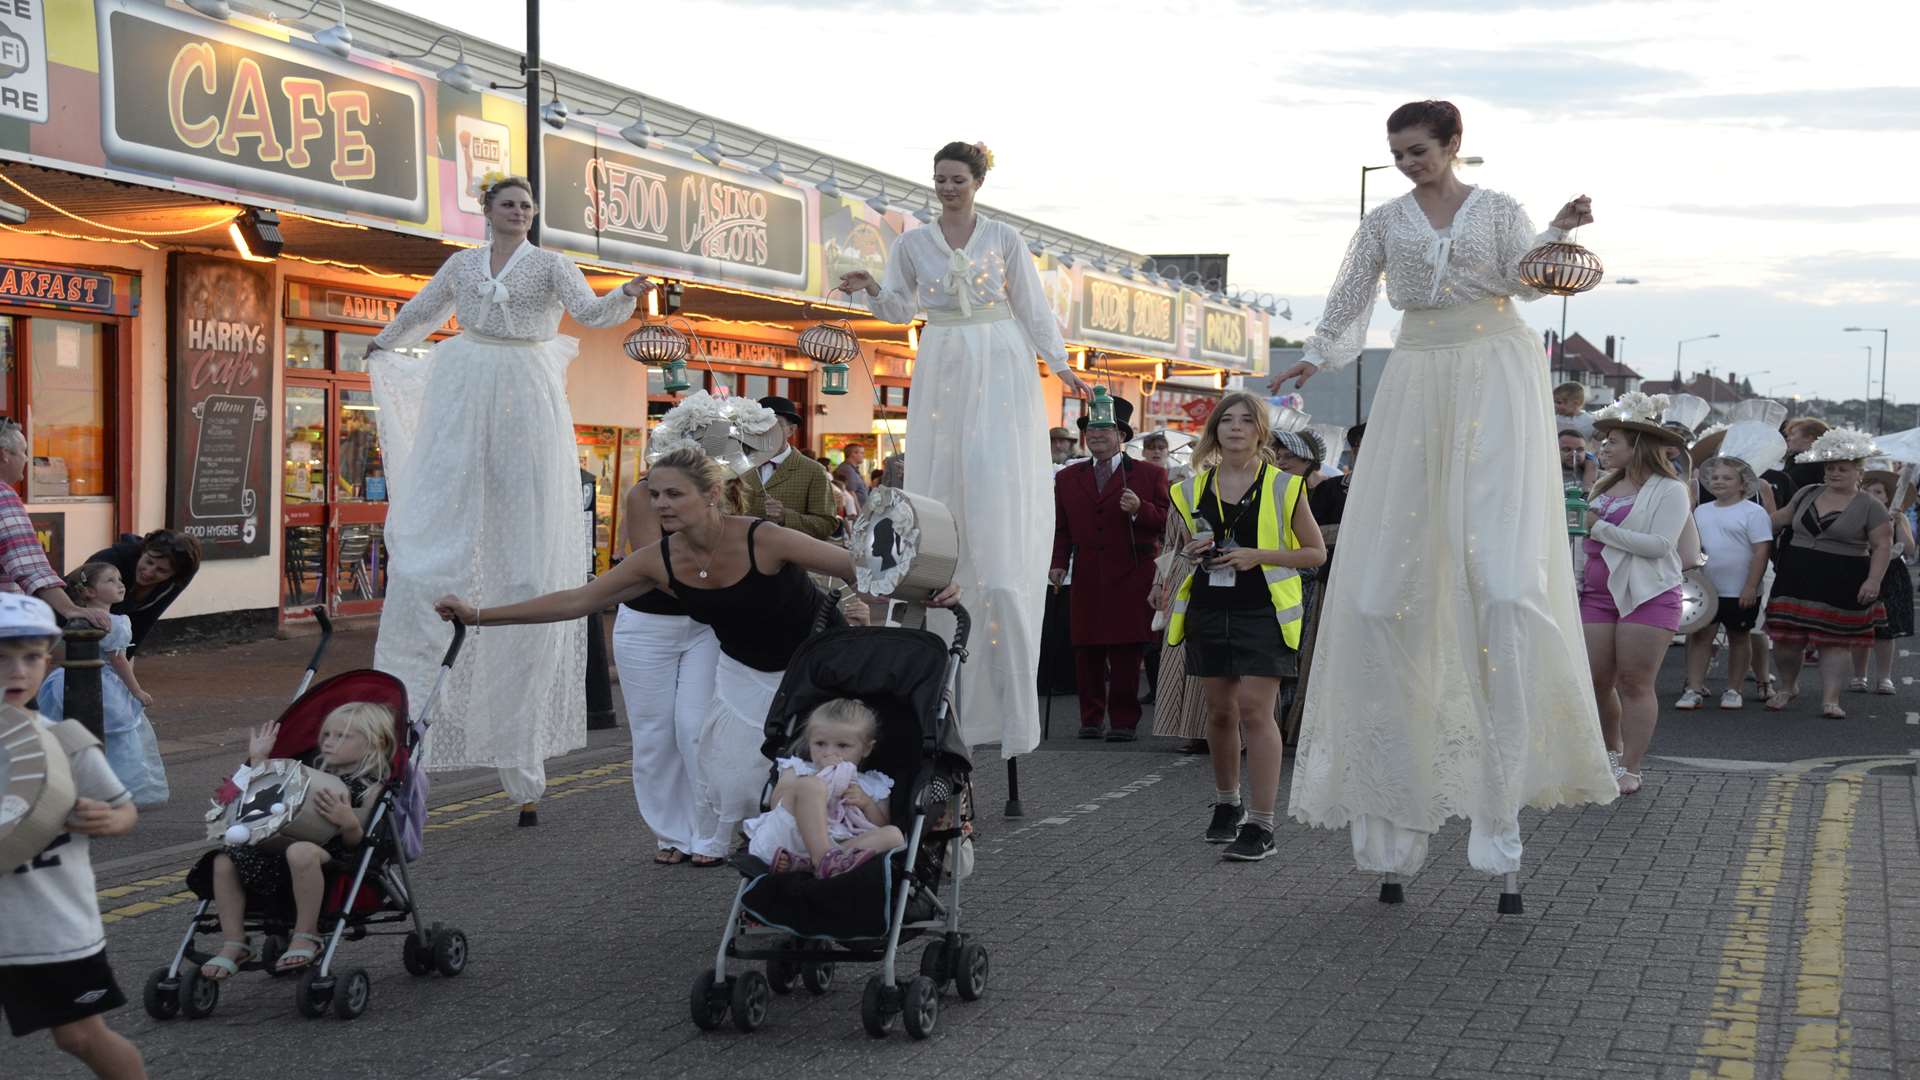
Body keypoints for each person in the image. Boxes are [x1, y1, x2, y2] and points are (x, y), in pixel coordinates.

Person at [1277, 100, 1617, 896]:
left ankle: (1501, 814)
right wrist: (1314, 359)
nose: (1408, 163)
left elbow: (1529, 283)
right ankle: (1391, 819)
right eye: (1397, 153)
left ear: (1455, 145)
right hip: (1418, 374)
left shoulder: (1497, 211)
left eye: (1419, 150)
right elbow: (1351, 301)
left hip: (1497, 371)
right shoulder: (1384, 221)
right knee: (1376, 599)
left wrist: (1560, 233)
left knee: (1499, 587)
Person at [432, 447, 956, 864]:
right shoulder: (656, 561)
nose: (660, 504)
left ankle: (852, 849)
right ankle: (789, 860)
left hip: (815, 669)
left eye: (673, 495)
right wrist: (479, 615)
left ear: (711, 495)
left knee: (831, 770)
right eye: (654, 494)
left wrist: (931, 591)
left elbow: (857, 569)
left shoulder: (763, 538)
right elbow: (577, 599)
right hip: (741, 674)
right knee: (737, 780)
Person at [363, 175, 646, 826]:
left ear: (533, 215)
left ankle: (524, 766)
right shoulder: (462, 264)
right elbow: (424, 310)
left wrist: (625, 295)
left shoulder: (551, 264)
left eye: (526, 206)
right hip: (468, 377)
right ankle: (407, 737)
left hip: (523, 381)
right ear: (487, 212)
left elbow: (593, 313)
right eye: (507, 204)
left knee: (524, 524)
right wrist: (386, 342)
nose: (518, 212)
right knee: (444, 499)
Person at [839, 140, 1090, 759]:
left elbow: (1031, 307)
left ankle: (1000, 565)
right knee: (946, 466)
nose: (947, 187)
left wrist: (1061, 367)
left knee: (991, 464)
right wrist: (873, 286)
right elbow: (900, 308)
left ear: (977, 181)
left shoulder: (1003, 237)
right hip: (945, 356)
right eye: (939, 179)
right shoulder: (911, 242)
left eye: (956, 179)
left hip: (999, 355)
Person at [1168, 393, 1325, 861]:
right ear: (1214, 430)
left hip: (1265, 609)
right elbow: (1184, 547)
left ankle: (1261, 825)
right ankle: (1226, 802)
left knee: (1257, 710)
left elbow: (1314, 553)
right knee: (1219, 712)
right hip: (1210, 605)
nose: (1235, 428)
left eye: (1245, 421)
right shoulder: (1189, 489)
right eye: (1226, 420)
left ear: (1260, 432)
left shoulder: (1284, 486)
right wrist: (1190, 553)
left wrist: (1259, 555)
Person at [0, 594, 146, 1080]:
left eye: (30, 657)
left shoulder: (65, 740)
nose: (16, 672)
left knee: (80, 1036)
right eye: (0, 658)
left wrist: (110, 819)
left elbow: (124, 808)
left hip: (49, 925)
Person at [199, 705, 390, 977]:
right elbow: (255, 798)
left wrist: (348, 822)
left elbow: (360, 845)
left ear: (375, 743)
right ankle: (235, 942)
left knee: (301, 852)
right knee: (223, 860)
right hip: (277, 847)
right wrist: (258, 761)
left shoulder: (373, 789)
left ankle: (306, 933)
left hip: (332, 855)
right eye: (326, 735)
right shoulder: (302, 771)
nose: (329, 742)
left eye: (343, 736)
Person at [1578, 403, 1691, 797]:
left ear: (1638, 446)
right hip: (1595, 595)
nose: (1603, 447)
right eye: (1604, 441)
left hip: (1647, 596)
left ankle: (1631, 767)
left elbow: (1659, 546)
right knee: (1595, 680)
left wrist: (1600, 527)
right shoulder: (1604, 485)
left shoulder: (1671, 490)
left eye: (1613, 441)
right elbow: (1583, 538)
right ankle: (1610, 753)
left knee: (1634, 682)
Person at [609, 471, 721, 865]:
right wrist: (721, 589)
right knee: (655, 732)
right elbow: (653, 565)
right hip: (648, 625)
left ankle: (712, 833)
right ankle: (671, 835)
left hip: (707, 625)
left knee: (696, 727)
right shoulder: (645, 494)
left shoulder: (725, 487)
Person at [1049, 397, 1169, 741]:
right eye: (1091, 429)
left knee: (1126, 649)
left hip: (1133, 570)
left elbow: (1167, 522)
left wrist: (1139, 509)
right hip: (1086, 571)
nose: (1096, 435)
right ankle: (1090, 718)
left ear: (1122, 435)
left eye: (1105, 429)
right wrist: (1058, 563)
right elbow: (1061, 528)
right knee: (1085, 647)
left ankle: (1124, 721)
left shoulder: (1149, 474)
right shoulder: (1069, 477)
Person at [1764, 429, 1892, 718]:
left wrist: (1874, 580)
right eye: (1830, 468)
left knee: (1834, 642)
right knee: (1786, 641)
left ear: (1858, 472)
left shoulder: (1871, 505)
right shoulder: (1806, 493)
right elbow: (1777, 520)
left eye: (1842, 469)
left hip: (1843, 579)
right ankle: (1787, 687)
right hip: (1795, 576)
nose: (1834, 473)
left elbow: (1882, 546)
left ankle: (1830, 699)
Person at [34, 564, 169, 806]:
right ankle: (111, 788)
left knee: (72, 731)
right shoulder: (113, 622)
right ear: (89, 593)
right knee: (115, 736)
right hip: (101, 682)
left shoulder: (79, 619)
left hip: (66, 679)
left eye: (119, 578)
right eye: (110, 580)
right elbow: (120, 660)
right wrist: (135, 690)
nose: (120, 584)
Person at [743, 699, 904, 878]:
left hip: (839, 847)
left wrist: (866, 803)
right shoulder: (799, 768)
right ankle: (822, 859)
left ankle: (811, 864)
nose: (829, 752)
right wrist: (818, 781)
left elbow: (879, 825)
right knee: (811, 786)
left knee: (894, 835)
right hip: (789, 837)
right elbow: (776, 804)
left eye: (842, 745)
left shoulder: (873, 784)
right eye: (820, 744)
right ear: (809, 742)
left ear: (866, 749)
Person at [1679, 458, 1774, 712]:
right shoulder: (1701, 510)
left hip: (1739, 589)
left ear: (1743, 485)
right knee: (1700, 637)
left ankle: (1734, 689)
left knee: (1739, 637)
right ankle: (1694, 688)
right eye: (1715, 478)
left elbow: (1761, 552)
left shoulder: (1754, 513)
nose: (1719, 482)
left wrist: (1751, 586)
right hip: (1706, 589)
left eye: (1727, 478)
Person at [0, 421, 109, 631]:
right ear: (4, 454)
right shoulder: (3, 495)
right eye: (23, 452)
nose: (26, 459)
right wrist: (70, 609)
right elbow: (29, 565)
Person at [83, 530, 202, 656]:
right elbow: (76, 597)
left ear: (174, 575)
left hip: (110, 635)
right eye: (149, 562)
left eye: (161, 570)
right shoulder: (109, 560)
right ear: (143, 551)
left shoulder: (176, 582)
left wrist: (123, 662)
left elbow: (145, 622)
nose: (149, 572)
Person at [1854, 470, 1914, 694]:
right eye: (1867, 490)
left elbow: (1909, 549)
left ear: (1888, 496)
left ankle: (1884, 677)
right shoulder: (1857, 513)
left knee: (1886, 630)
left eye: (1878, 492)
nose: (1873, 495)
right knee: (1860, 626)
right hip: (1861, 568)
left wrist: (1897, 523)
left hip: (1892, 572)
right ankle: (1859, 675)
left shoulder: (1899, 517)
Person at [750, 397, 839, 541]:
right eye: (760, 423)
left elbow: (826, 525)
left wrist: (785, 516)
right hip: (740, 556)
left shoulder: (814, 471)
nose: (766, 429)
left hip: (790, 559)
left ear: (791, 430)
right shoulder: (741, 466)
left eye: (775, 424)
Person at [1784, 418, 1831, 491]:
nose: (1788, 438)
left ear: (1809, 437)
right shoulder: (1792, 460)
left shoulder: (1822, 464)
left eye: (1792, 434)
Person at [833, 443, 871, 510]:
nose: (863, 455)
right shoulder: (847, 470)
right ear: (853, 454)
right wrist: (859, 513)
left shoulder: (852, 469)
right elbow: (851, 493)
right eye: (861, 453)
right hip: (855, 513)